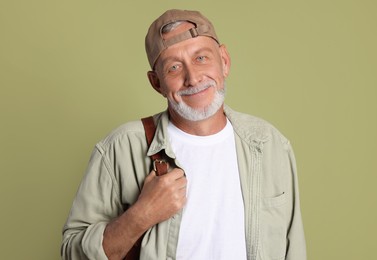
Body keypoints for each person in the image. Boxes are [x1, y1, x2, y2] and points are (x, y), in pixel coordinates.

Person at [61, 9, 306, 260]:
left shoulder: (269, 144)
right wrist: (142, 214)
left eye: (201, 58)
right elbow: (72, 254)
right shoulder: (119, 148)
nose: (193, 78)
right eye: (174, 68)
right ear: (157, 83)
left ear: (224, 60)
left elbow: (293, 247)